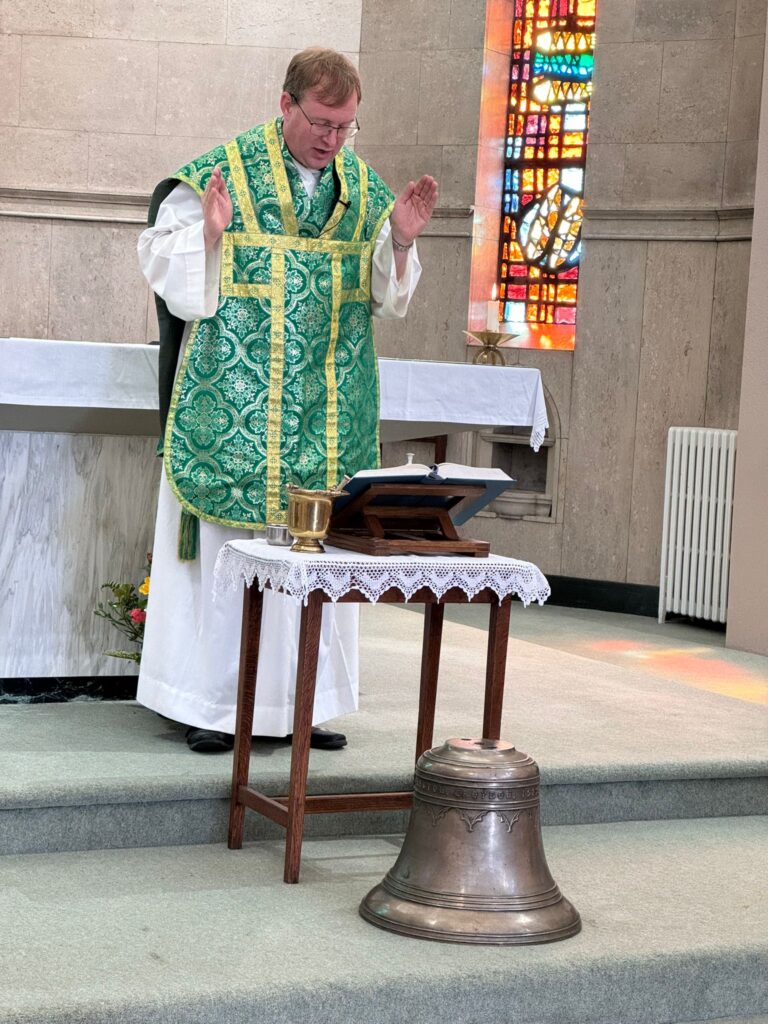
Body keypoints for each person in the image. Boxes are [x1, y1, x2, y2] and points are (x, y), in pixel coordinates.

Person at [136, 47, 438, 753]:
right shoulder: (224, 175)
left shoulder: (363, 191)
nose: (333, 139)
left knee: (318, 553)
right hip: (233, 411)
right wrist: (207, 236)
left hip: (322, 413)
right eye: (323, 121)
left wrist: (398, 241)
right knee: (224, 553)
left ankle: (306, 705)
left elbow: (387, 300)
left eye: (346, 126)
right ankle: (211, 707)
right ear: (286, 105)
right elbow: (160, 260)